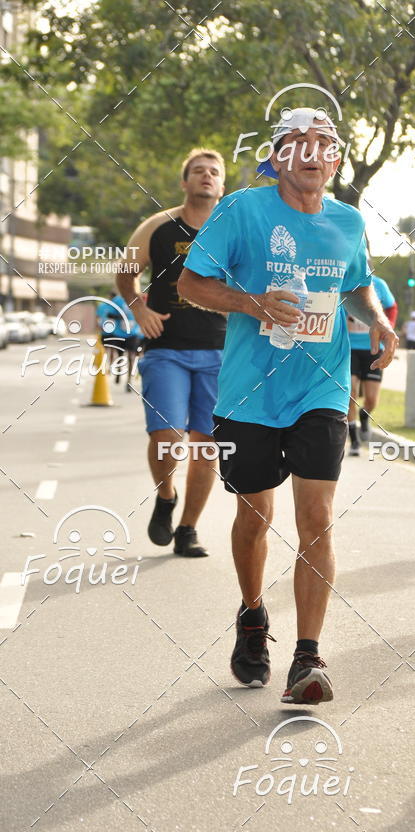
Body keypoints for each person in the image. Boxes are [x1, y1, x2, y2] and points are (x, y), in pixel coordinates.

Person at [177, 107, 398, 705]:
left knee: (317, 517)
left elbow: (356, 284)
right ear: (276, 157)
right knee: (255, 519)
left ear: (336, 158)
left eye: (324, 142)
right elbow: (190, 284)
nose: (313, 151)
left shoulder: (349, 221)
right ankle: (253, 617)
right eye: (297, 141)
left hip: (321, 387)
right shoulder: (242, 210)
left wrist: (376, 320)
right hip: (249, 392)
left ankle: (307, 655)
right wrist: (252, 302)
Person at [116, 148, 227, 557]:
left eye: (213, 172)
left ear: (222, 184)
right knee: (166, 436)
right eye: (198, 171)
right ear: (185, 182)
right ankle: (166, 496)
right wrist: (138, 308)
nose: (206, 176)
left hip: (219, 350)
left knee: (206, 445)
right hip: (166, 349)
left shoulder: (231, 228)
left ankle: (188, 529)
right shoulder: (159, 227)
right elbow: (126, 272)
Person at [347, 272, 398, 454]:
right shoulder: (345, 281)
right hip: (350, 347)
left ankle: (364, 415)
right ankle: (354, 440)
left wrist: (388, 328)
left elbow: (392, 307)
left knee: (371, 399)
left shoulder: (379, 284)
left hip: (373, 348)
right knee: (350, 393)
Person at [96, 290, 143, 391]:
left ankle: (129, 381)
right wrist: (120, 316)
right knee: (120, 355)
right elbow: (109, 314)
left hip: (133, 333)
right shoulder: (117, 300)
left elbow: (142, 312)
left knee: (131, 356)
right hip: (119, 333)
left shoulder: (137, 298)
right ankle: (119, 370)